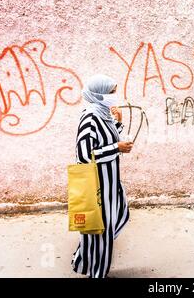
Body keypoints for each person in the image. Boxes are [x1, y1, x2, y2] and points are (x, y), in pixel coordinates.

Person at [71, 74, 133, 278]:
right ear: (99, 94)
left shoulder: (103, 114)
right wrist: (117, 148)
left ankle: (84, 259)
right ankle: (98, 273)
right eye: (111, 92)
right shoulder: (90, 118)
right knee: (102, 230)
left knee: (116, 216)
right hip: (97, 185)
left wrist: (119, 123)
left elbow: (105, 139)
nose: (115, 96)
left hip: (111, 181)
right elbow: (84, 155)